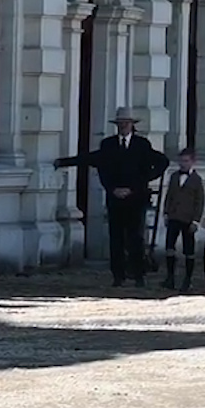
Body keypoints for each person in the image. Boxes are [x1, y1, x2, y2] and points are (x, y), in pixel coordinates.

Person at [55, 108, 169, 287]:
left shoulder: (141, 145)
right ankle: (118, 275)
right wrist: (112, 188)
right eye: (120, 124)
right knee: (115, 238)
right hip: (115, 198)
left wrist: (140, 184)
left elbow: (161, 161)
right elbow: (95, 162)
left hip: (135, 198)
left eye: (126, 123)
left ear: (132, 125)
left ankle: (138, 274)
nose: (123, 126)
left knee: (135, 238)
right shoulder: (108, 145)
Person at [161, 148, 205, 293]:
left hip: (188, 219)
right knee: (170, 248)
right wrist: (166, 212)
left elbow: (200, 201)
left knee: (189, 250)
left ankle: (188, 279)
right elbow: (169, 195)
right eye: (181, 161)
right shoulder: (174, 176)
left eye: (186, 161)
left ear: (192, 162)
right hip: (174, 216)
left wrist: (196, 221)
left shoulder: (197, 180)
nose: (183, 164)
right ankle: (170, 277)